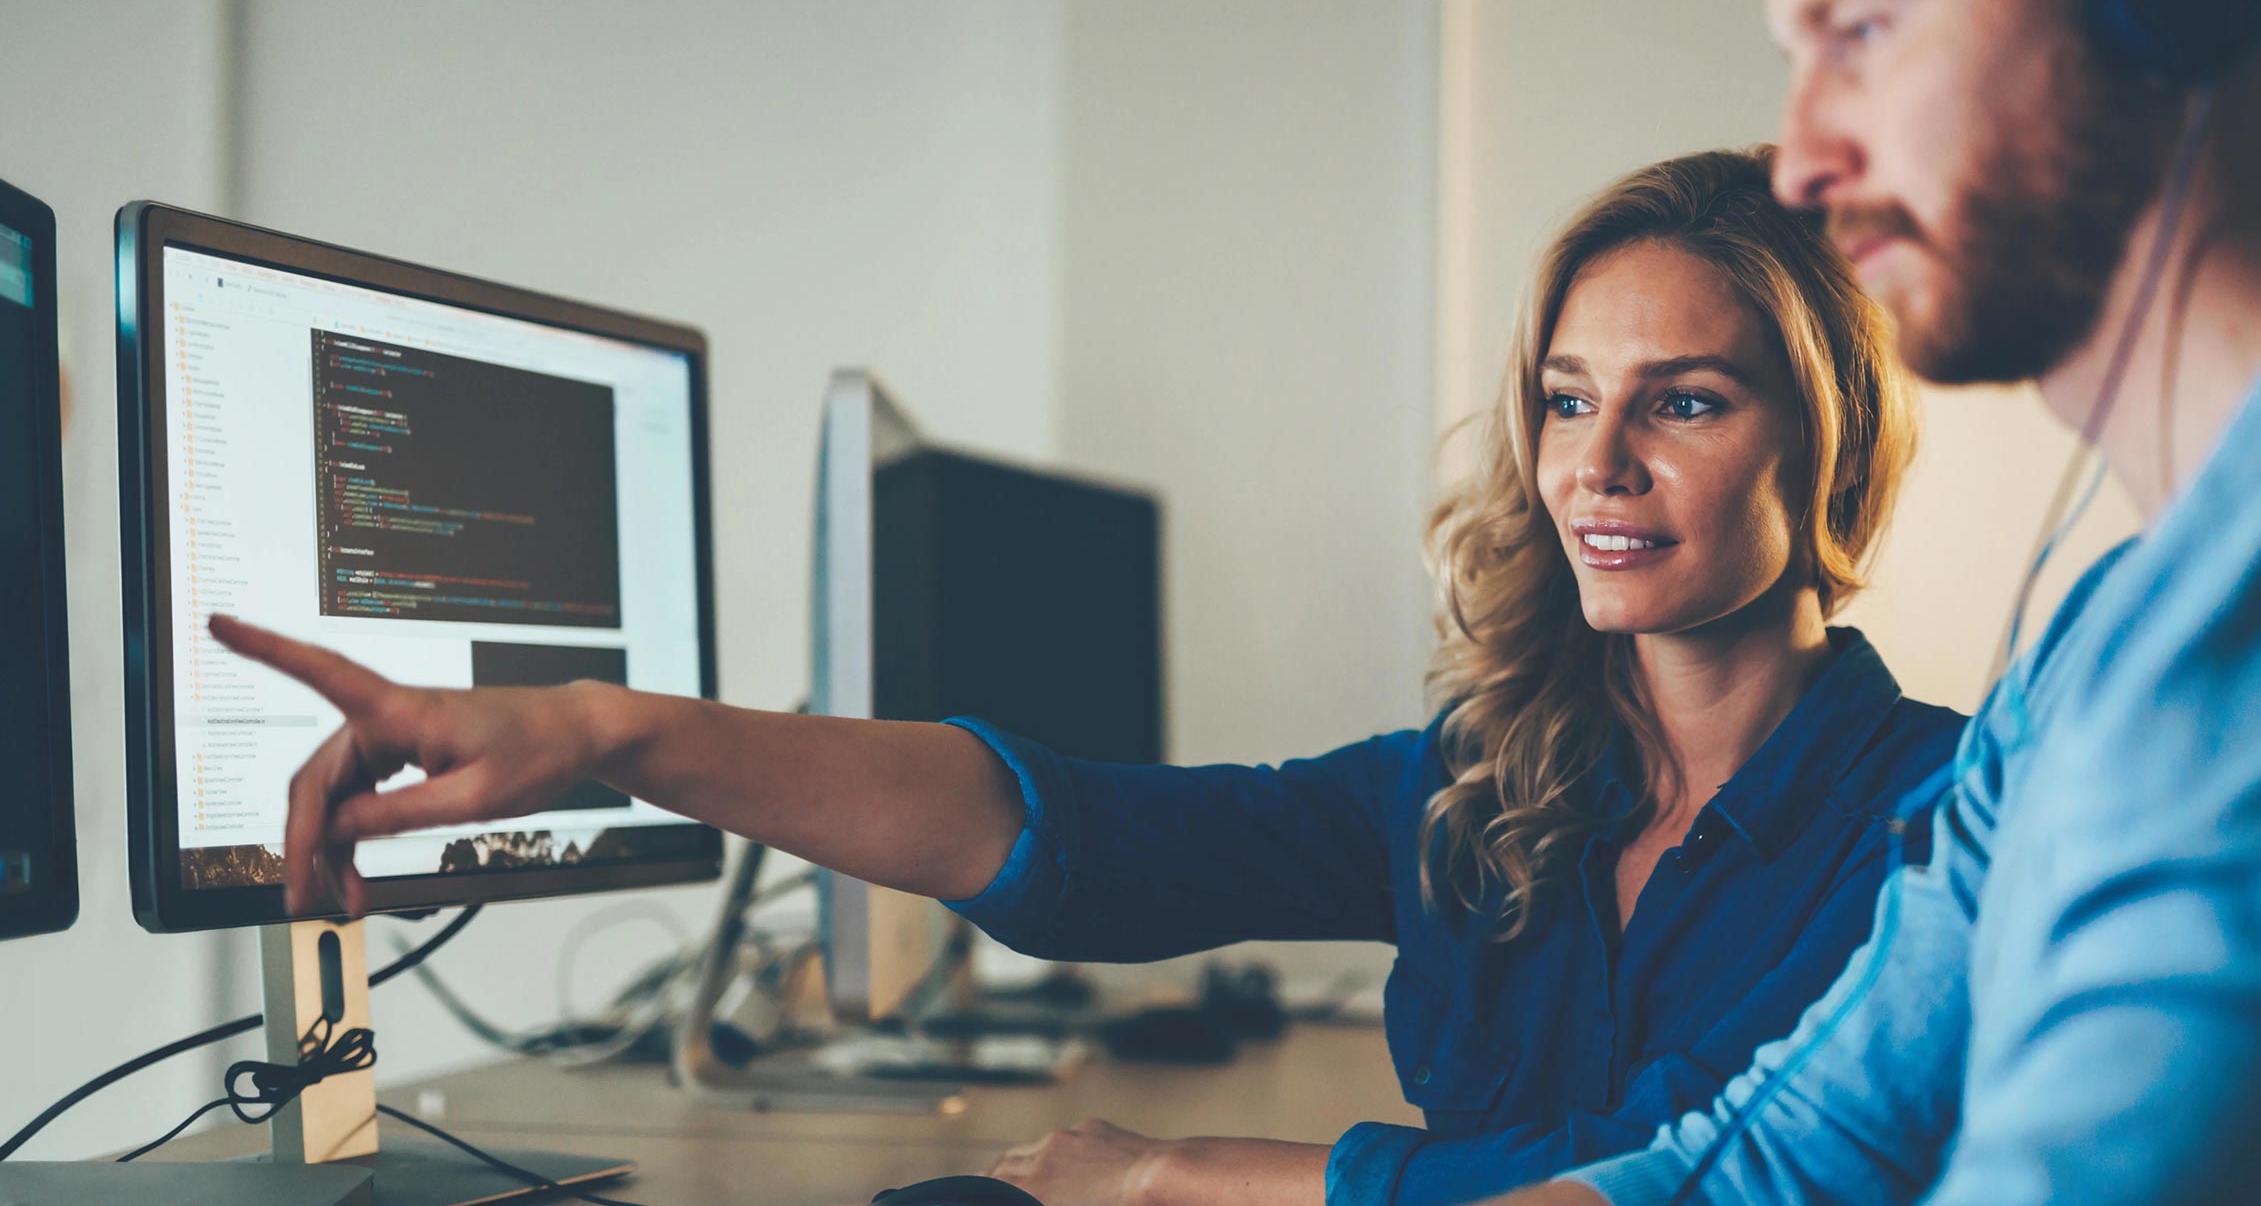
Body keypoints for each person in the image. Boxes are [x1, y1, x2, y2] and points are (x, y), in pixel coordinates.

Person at [211, 148, 1962, 1206]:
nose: (1598, 464)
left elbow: (1700, 1177)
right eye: (1569, 400)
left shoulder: (1937, 822)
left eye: (1686, 399)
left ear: (1830, 447)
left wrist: (1172, 1176)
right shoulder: (1485, 787)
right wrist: (617, 733)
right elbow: (1081, 838)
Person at [1477, 0, 2261, 1205]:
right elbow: (1792, 1153)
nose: (1799, 162)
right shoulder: (2113, 618)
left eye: (1860, 31)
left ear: (2163, 0)